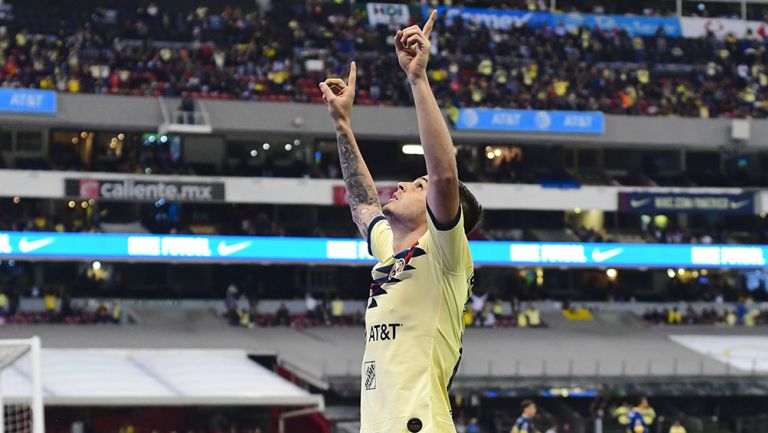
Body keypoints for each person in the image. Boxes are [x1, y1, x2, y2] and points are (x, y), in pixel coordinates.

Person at [319, 10, 481, 433]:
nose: (404, 184)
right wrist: (341, 124)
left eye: (417, 183)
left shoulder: (444, 255)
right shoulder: (391, 249)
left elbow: (445, 174)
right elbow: (362, 205)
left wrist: (417, 79)